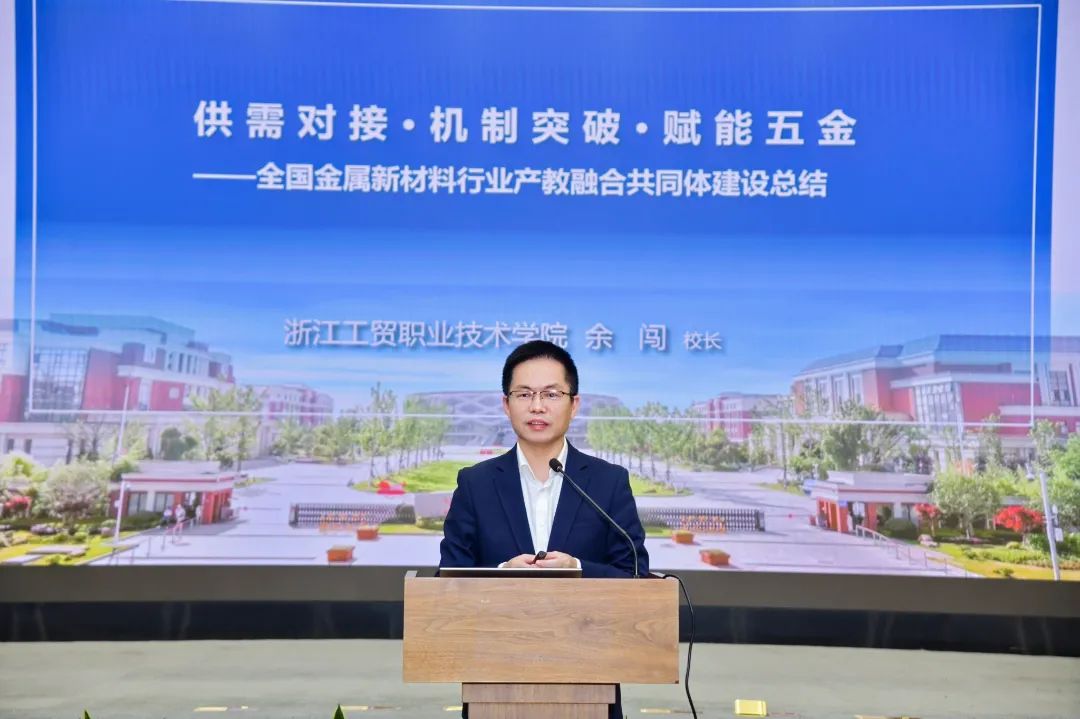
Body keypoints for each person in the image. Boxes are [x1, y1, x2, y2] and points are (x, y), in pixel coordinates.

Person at [440, 340, 649, 719]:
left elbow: (635, 576)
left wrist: (577, 570)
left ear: (574, 404)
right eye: (524, 394)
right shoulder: (475, 483)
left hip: (589, 679)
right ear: (506, 404)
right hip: (495, 681)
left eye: (551, 394)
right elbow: (448, 579)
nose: (537, 406)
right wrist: (502, 574)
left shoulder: (608, 482)